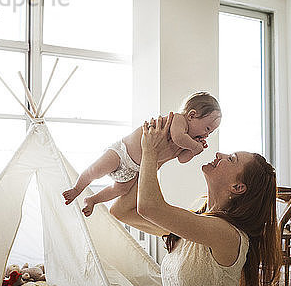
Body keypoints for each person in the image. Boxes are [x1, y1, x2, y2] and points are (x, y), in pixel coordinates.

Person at [40, 113, 281, 286]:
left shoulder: (227, 234)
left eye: (231, 159)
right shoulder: (193, 222)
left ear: (238, 187)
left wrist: (151, 151)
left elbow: (149, 207)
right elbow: (122, 211)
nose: (220, 154)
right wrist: (157, 157)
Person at [62, 92, 221, 217]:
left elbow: (182, 159)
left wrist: (194, 151)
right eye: (207, 129)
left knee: (119, 190)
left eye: (211, 132)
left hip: (135, 170)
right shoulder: (178, 120)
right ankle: (77, 188)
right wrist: (194, 145)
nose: (207, 134)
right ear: (192, 115)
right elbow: (179, 137)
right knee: (94, 171)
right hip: (122, 154)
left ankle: (92, 200)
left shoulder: (188, 140)